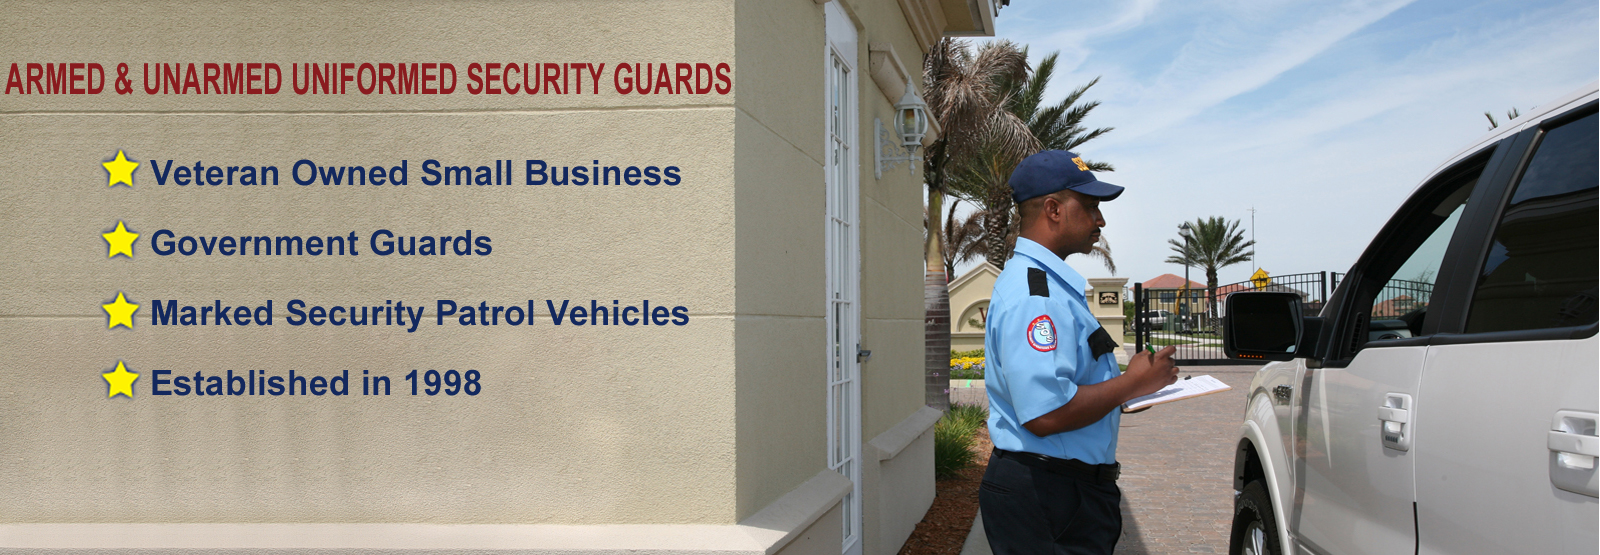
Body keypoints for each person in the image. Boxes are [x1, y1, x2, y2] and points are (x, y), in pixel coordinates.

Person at [980, 150, 1180, 555]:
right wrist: (1130, 383)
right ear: (1053, 209)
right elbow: (1045, 414)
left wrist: (1127, 389)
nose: (1100, 221)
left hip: (1059, 490)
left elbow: (1066, 388)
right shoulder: (1037, 297)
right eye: (1090, 207)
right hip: (1050, 494)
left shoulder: (1048, 286)